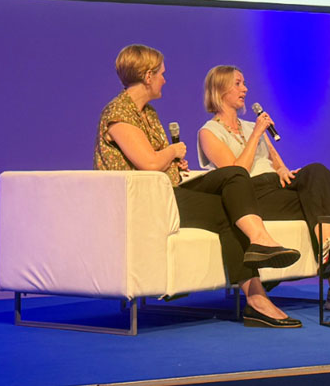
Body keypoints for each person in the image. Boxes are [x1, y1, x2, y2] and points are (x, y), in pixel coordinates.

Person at [94, 44, 304, 328]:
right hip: (146, 204)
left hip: (168, 192)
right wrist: (173, 152)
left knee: (232, 186)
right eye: (161, 74)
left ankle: (256, 295)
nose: (164, 80)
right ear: (147, 76)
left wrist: (173, 163)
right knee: (232, 182)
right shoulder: (119, 113)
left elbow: (157, 161)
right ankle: (260, 252)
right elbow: (149, 163)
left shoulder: (148, 113)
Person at [196, 65, 330, 313]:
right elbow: (235, 174)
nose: (245, 89)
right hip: (248, 195)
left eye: (244, 83)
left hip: (274, 186)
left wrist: (281, 171)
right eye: (238, 84)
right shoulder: (209, 132)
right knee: (315, 204)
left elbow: (278, 163)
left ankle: (328, 247)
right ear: (220, 89)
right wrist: (257, 134)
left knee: (317, 172)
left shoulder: (250, 126)